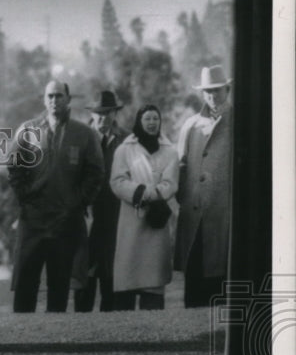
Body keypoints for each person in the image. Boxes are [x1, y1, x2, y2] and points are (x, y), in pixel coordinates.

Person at [8, 80, 104, 313]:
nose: (54, 101)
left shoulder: (84, 134)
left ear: (68, 99)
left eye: (59, 96)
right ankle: (22, 335)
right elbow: (13, 166)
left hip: (65, 219)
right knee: (25, 281)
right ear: (44, 99)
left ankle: (55, 339)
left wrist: (78, 202)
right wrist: (25, 198)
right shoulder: (28, 130)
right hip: (33, 218)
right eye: (50, 96)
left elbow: (96, 173)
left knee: (59, 282)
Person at [109, 105, 179, 310]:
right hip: (132, 221)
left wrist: (156, 195)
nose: (151, 123)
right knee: (128, 277)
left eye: (155, 119)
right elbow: (117, 181)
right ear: (139, 121)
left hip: (156, 221)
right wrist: (142, 193)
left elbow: (171, 183)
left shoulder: (170, 151)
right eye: (147, 119)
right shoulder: (124, 149)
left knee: (153, 282)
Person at [174, 65, 233, 307]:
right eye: (208, 91)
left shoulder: (240, 123)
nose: (213, 96)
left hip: (225, 215)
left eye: (217, 90)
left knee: (220, 276)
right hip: (194, 215)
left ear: (227, 90)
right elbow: (181, 165)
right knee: (195, 274)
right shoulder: (191, 125)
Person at [73, 90, 128, 313]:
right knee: (85, 266)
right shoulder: (80, 137)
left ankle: (110, 316)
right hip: (86, 210)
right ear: (92, 114)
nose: (103, 117)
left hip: (116, 211)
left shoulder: (126, 139)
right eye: (99, 113)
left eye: (108, 112)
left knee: (110, 267)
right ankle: (81, 321)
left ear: (115, 113)